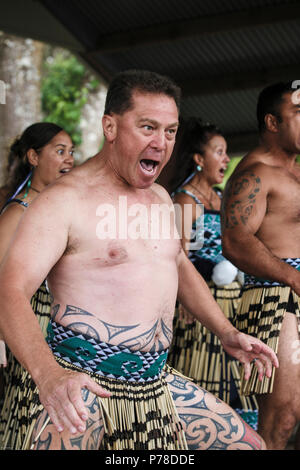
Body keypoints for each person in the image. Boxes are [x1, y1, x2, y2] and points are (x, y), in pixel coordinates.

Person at [0, 70, 278, 451]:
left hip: (156, 384)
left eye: (170, 131)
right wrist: (49, 375)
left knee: (250, 447)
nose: (161, 143)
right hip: (84, 386)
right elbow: (9, 291)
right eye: (148, 127)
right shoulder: (63, 201)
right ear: (110, 127)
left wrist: (226, 332)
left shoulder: (162, 198)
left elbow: (177, 264)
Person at [221, 81, 300, 450]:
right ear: (272, 122)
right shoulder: (255, 172)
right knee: (282, 415)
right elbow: (236, 240)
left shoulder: (296, 171)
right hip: (276, 299)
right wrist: (293, 276)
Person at [167, 117, 258, 429]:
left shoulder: (222, 200)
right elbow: (180, 258)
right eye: (219, 152)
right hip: (202, 304)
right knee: (205, 375)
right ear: (198, 159)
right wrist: (184, 303)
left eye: (226, 152)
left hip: (234, 304)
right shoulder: (185, 200)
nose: (226, 159)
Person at [0, 122, 74, 450]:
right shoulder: (18, 212)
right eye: (60, 151)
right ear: (33, 156)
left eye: (72, 152)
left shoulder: (56, 209)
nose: (69, 159)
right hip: (26, 328)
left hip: (54, 330)